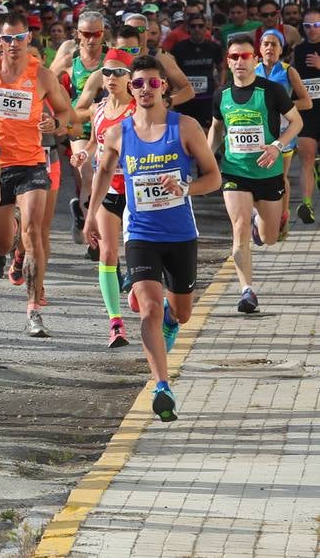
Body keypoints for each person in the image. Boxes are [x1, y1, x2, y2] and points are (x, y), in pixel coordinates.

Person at [84, 56, 221, 422]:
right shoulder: (118, 133)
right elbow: (102, 174)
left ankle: (170, 320)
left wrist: (186, 186)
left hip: (180, 234)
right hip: (141, 234)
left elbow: (214, 178)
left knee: (181, 312)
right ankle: (162, 385)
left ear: (164, 87)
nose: (146, 89)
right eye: (139, 83)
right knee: (146, 308)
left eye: (153, 83)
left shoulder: (186, 127)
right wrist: (90, 215)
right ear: (132, 88)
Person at [0, 11, 73, 337]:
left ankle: (34, 310)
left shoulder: (42, 75)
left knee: (35, 230)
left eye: (19, 38)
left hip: (32, 163)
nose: (13, 44)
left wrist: (55, 124)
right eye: (7, 38)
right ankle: (16, 247)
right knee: (1, 242)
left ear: (29, 39)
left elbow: (65, 113)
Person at [212, 33, 303, 315]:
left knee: (270, 237)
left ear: (254, 59)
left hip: (268, 172)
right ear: (228, 61)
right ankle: (246, 290)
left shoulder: (272, 90)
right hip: (235, 171)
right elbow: (216, 129)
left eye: (244, 56)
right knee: (237, 228)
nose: (239, 61)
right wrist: (205, 160)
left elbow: (296, 122)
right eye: (234, 57)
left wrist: (277, 146)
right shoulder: (222, 95)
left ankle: (258, 223)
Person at [72, 49, 137, 347]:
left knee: (137, 254)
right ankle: (115, 323)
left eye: (118, 73)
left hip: (137, 192)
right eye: (107, 73)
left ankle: (139, 285)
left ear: (130, 77)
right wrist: (86, 151)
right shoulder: (98, 109)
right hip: (108, 191)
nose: (111, 78)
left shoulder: (138, 110)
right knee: (108, 253)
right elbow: (96, 141)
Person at [50, 10, 107, 242]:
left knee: (107, 178)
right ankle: (92, 235)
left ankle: (88, 216)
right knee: (87, 174)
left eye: (97, 34)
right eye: (86, 34)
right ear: (78, 34)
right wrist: (60, 110)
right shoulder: (70, 59)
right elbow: (44, 83)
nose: (92, 39)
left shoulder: (111, 59)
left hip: (107, 126)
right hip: (80, 124)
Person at [255, 28, 312, 239]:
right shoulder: (251, 69)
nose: (269, 48)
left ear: (281, 49)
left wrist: (281, 106)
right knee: (255, 175)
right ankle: (260, 216)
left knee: (280, 177)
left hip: (282, 133)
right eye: (266, 44)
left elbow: (306, 102)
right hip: (258, 134)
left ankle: (282, 218)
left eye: (274, 44)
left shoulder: (288, 71)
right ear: (259, 48)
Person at [169, 11, 224, 132]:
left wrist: (221, 85)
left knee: (206, 131)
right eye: (193, 26)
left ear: (206, 28)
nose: (197, 29)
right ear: (188, 28)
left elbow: (221, 68)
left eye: (200, 26)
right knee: (183, 130)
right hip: (185, 99)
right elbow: (170, 71)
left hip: (207, 98)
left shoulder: (213, 47)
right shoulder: (179, 48)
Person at [292, 6, 320, 223]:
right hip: (308, 112)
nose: (312, 30)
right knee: (307, 157)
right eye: (308, 26)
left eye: (316, 25)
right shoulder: (299, 50)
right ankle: (307, 204)